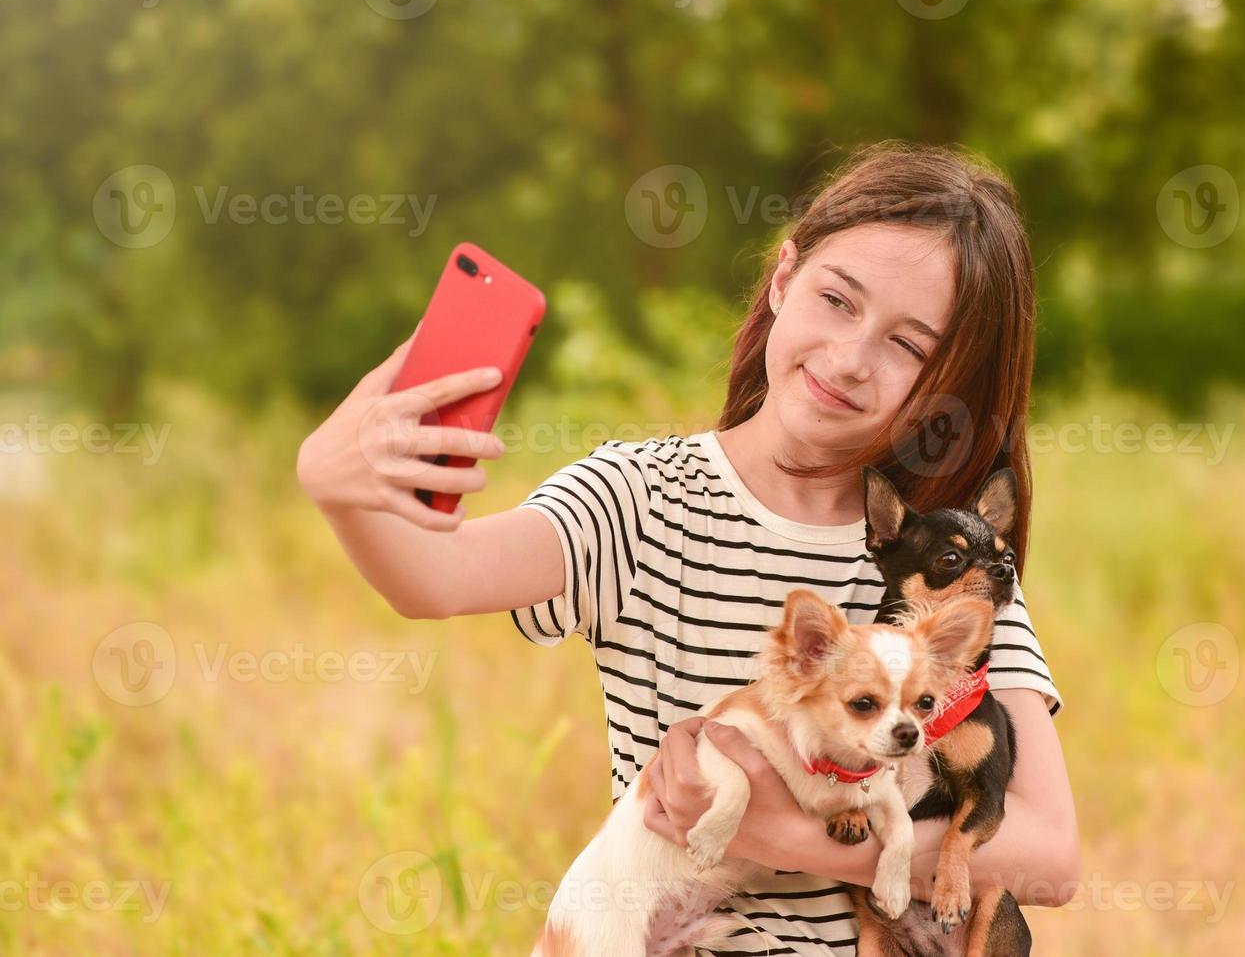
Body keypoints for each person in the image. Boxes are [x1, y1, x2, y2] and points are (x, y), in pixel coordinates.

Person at [297, 140, 1081, 955]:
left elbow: (1052, 857)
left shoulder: (945, 570)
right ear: (784, 278)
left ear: (943, 382)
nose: (849, 361)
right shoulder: (640, 498)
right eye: (838, 301)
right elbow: (433, 579)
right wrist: (337, 487)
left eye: (908, 346)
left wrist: (784, 836)